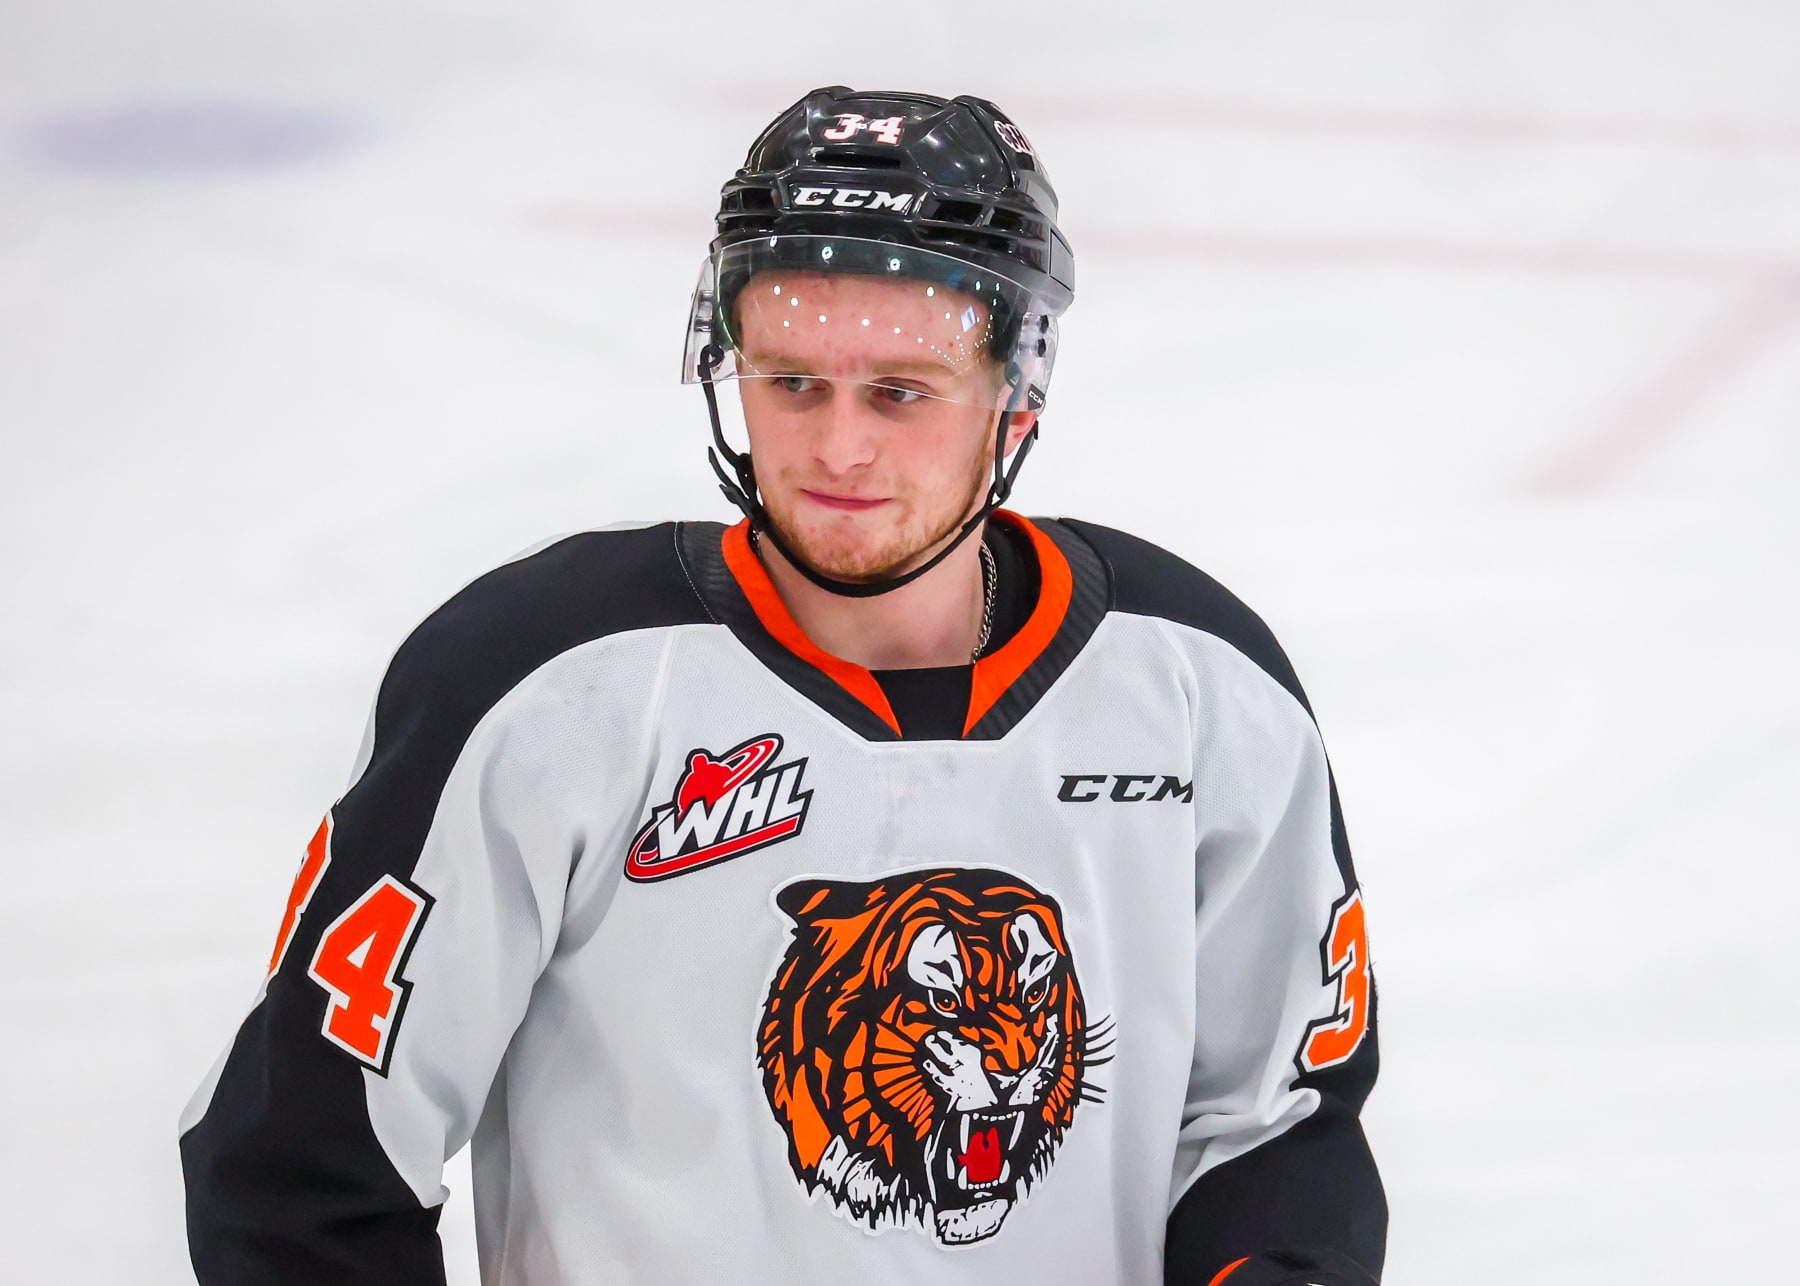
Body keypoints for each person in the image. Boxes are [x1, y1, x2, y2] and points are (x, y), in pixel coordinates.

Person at [180, 86, 1386, 1286]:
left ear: (1015, 388)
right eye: (792, 380)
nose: (838, 448)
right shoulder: (542, 687)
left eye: (901, 392)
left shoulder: (1199, 686)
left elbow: (1275, 1123)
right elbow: (304, 1165)